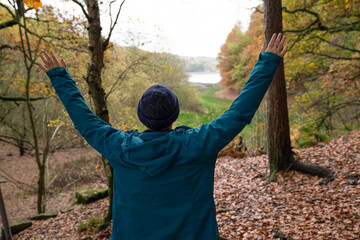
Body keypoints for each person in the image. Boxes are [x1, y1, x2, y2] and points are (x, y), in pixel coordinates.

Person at [39, 33, 287, 240]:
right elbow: (239, 113)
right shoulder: (197, 144)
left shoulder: (119, 148)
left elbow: (86, 122)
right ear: (175, 114)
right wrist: (267, 63)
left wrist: (60, 77)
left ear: (141, 116)